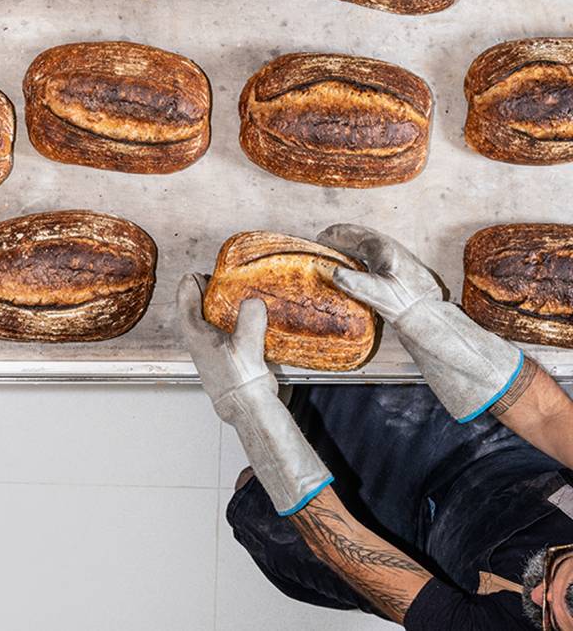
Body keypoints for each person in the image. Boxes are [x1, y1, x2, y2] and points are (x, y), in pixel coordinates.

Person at [179, 224, 573, 630]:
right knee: (347, 358)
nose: (540, 593)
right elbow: (549, 417)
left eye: (549, 617)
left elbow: (347, 545)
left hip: (424, 560)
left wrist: (252, 409)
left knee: (260, 507)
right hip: (497, 456)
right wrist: (426, 319)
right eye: (561, 567)